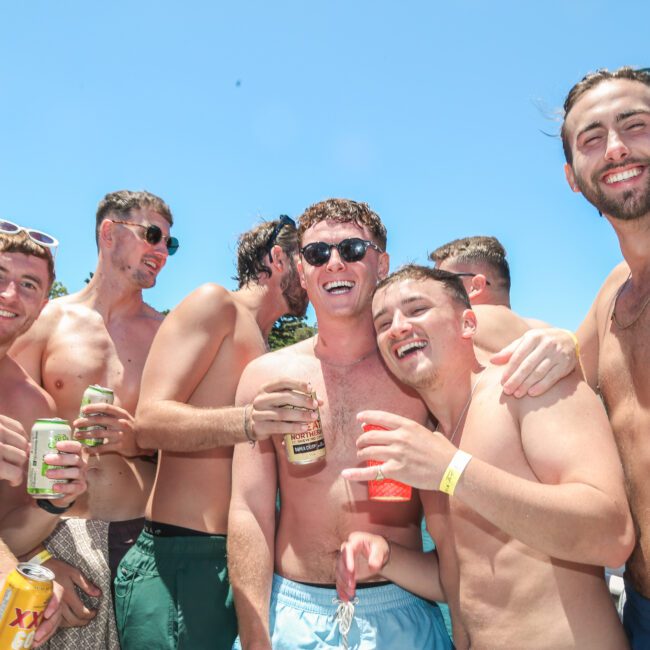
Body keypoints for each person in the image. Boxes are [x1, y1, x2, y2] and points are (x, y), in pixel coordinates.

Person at [338, 265, 634, 649]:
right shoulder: (431, 445)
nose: (397, 327)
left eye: (416, 309)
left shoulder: (529, 387)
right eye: (382, 323)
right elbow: (463, 581)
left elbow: (611, 535)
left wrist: (453, 470)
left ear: (468, 324)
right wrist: (388, 557)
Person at [228, 199, 453, 650]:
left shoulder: (419, 371)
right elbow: (248, 509)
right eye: (317, 254)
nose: (334, 263)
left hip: (401, 607)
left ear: (381, 262)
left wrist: (559, 343)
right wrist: (255, 632)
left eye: (352, 249)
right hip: (290, 613)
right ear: (301, 267)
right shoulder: (265, 376)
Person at [115, 216, 309, 649]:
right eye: (309, 257)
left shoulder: (265, 346)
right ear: (279, 259)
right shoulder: (214, 304)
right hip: (178, 563)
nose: (317, 273)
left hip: (237, 564)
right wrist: (247, 421)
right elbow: (149, 422)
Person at [9, 190, 178, 648]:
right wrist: (30, 554)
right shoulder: (45, 320)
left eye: (169, 243)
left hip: (143, 539)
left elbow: (188, 453)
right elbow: (10, 431)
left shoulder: (169, 336)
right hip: (55, 533)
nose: (162, 251)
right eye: (153, 235)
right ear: (109, 233)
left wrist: (137, 439)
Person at [555, 66, 650, 648]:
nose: (615, 148)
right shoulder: (613, 296)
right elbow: (536, 389)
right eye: (592, 138)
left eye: (635, 125)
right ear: (573, 178)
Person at [0, 224, 88, 647]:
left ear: (42, 306)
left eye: (28, 285)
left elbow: (9, 532)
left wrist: (56, 502)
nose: (10, 295)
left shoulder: (33, 407)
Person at [429, 235, 548, 327]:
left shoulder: (455, 325)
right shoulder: (546, 332)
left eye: (443, 279)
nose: (434, 287)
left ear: (476, 286)